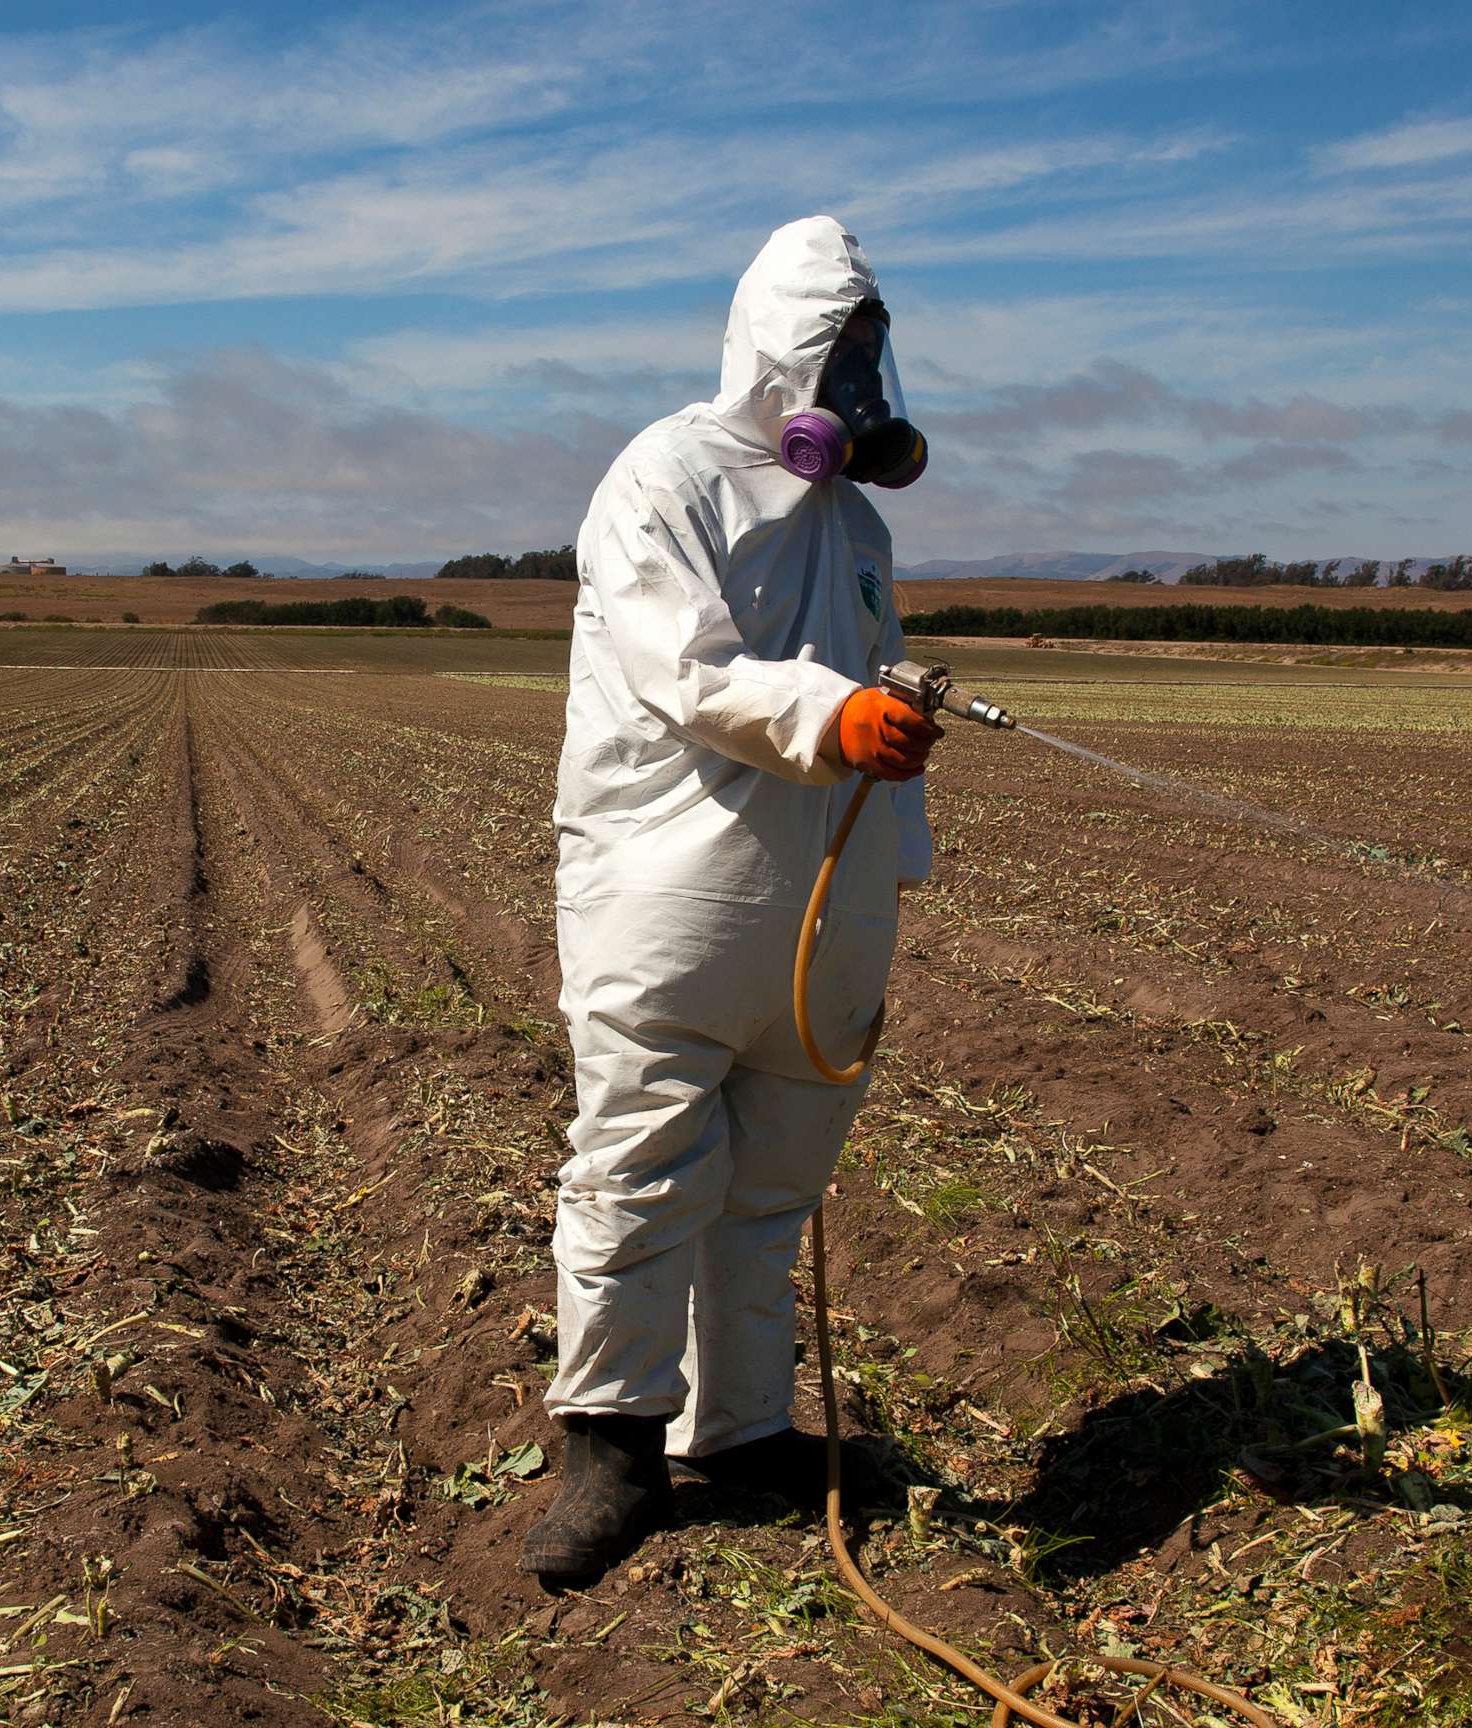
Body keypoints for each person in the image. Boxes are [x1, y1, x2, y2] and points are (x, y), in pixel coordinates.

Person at [524, 215, 943, 1580]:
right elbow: (686, 669)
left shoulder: (859, 525)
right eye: (838, 351)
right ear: (778, 347)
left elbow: (884, 687)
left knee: (769, 1193)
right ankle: (611, 1445)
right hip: (672, 890)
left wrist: (898, 829)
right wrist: (836, 717)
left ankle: (743, 1429)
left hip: (824, 908)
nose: (856, 384)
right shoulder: (663, 478)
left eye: (870, 354)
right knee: (641, 1169)